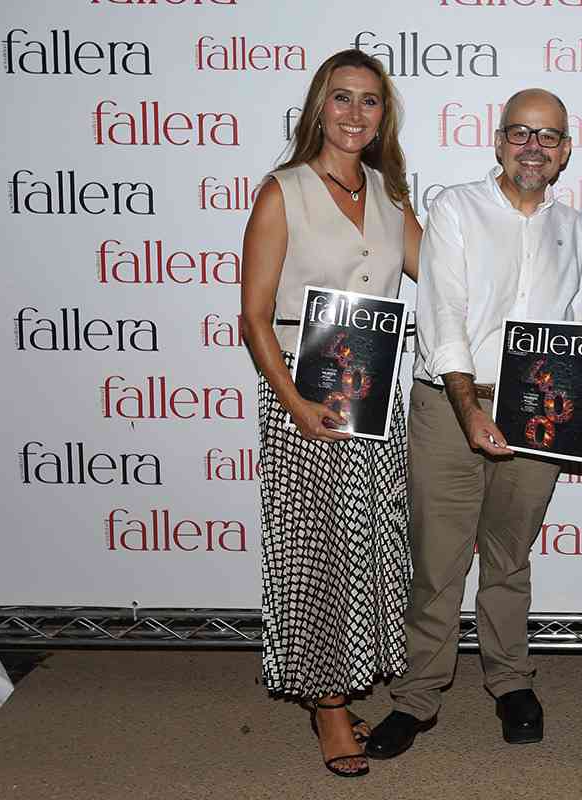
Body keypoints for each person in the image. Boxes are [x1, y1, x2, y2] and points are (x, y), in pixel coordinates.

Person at [364, 88, 582, 759]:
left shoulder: (578, 229)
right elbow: (442, 312)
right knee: (438, 560)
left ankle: (511, 681)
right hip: (450, 405)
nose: (534, 147)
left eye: (548, 136)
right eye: (520, 133)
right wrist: (469, 406)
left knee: (509, 556)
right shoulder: (455, 208)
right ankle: (418, 696)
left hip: (537, 411)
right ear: (500, 142)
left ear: (565, 151)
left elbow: (573, 315)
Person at [240, 49, 422, 778]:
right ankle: (328, 706)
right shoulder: (282, 192)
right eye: (342, 98)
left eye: (369, 101)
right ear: (319, 107)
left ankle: (343, 681)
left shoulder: (387, 194)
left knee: (368, 549)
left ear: (383, 117)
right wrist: (296, 404)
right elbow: (255, 317)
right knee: (315, 554)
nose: (355, 113)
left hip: (374, 400)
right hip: (304, 400)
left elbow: (449, 278)